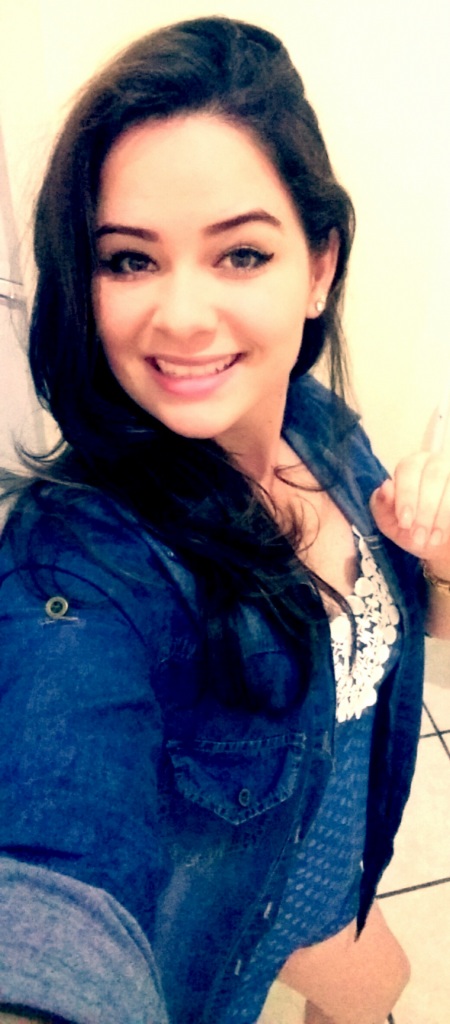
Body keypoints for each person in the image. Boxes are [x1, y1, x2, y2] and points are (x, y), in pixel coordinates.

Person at [0, 15, 449, 1024]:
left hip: (333, 858)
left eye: (241, 254)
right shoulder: (80, 570)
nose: (182, 316)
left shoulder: (321, 429)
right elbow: (48, 881)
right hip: (219, 924)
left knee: (380, 987)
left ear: (319, 267)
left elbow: (432, 628)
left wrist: (440, 555)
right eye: (130, 261)